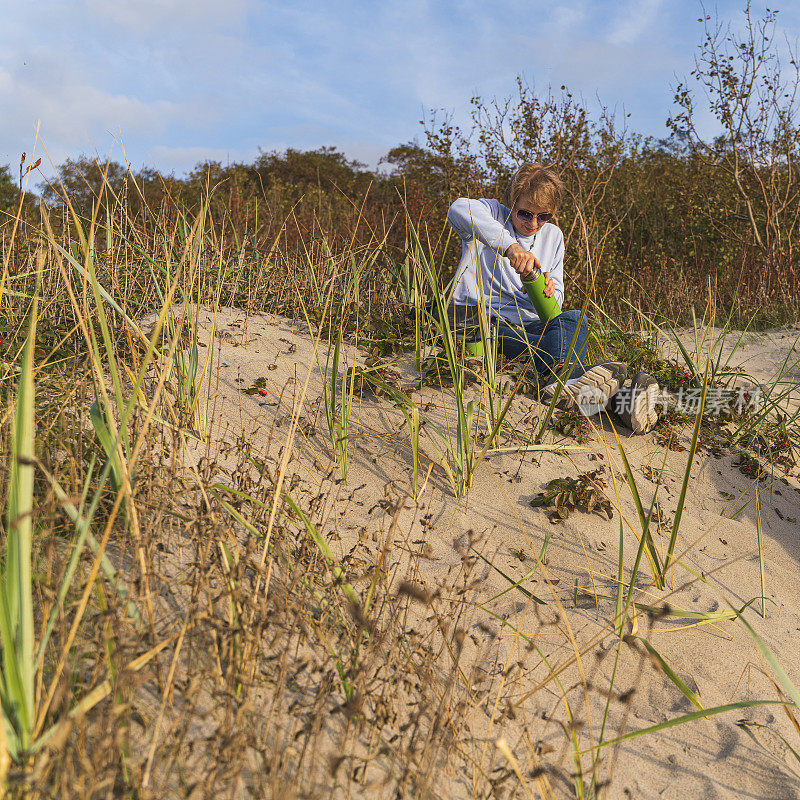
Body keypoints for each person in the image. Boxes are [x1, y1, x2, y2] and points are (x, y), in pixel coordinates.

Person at [446, 162, 659, 434]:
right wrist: (509, 247)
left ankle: (569, 382)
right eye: (524, 213)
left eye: (543, 216)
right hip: (482, 321)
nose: (533, 223)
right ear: (512, 201)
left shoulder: (554, 236)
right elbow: (458, 209)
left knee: (573, 318)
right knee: (543, 348)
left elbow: (555, 304)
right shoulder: (491, 214)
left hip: (532, 325)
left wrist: (548, 289)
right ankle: (619, 399)